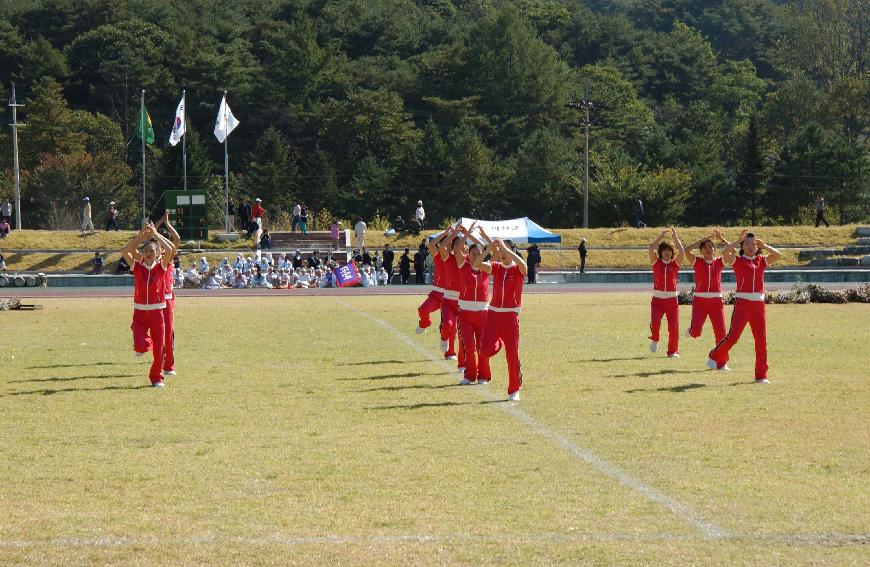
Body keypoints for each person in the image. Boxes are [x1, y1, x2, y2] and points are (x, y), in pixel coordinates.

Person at [708, 230, 782, 383]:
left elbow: (778, 255)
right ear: (742, 247)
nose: (750, 246)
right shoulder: (738, 260)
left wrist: (764, 245)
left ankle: (761, 375)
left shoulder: (761, 260)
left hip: (758, 306)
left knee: (761, 340)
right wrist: (737, 241)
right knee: (733, 337)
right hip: (743, 304)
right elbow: (725, 252)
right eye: (746, 243)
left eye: (753, 243)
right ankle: (715, 355)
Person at [120, 222, 176, 387]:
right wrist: (140, 237)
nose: (148, 253)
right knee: (139, 346)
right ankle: (146, 344)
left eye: (152, 250)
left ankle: (156, 378)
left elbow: (171, 250)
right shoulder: (137, 267)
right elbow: (125, 251)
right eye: (145, 251)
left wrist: (156, 235)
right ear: (142, 254)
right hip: (139, 312)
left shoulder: (161, 267)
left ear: (158, 253)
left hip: (157, 312)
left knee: (159, 350)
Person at [474, 237, 527, 401]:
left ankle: (514, 390)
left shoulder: (517, 269)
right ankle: (500, 341)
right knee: (483, 351)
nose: (503, 254)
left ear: (512, 251)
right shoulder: (496, 267)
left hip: (510, 316)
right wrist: (490, 247)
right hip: (493, 314)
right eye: (501, 251)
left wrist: (506, 249)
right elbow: (476, 264)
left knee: (512, 355)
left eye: (506, 251)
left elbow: (524, 266)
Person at [456, 224, 492, 385]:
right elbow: (457, 250)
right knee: (469, 347)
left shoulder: (487, 268)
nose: (477, 256)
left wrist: (485, 236)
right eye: (474, 254)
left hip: (483, 314)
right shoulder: (463, 266)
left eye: (479, 254)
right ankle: (470, 375)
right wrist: (467, 234)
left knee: (482, 347)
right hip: (465, 314)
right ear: (468, 255)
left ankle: (483, 375)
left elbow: (496, 251)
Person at [684, 229, 729, 346]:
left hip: (716, 301)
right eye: (705, 247)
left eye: (710, 247)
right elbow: (686, 250)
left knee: (721, 334)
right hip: (700, 302)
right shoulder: (697, 261)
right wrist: (701, 240)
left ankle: (722, 362)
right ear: (701, 250)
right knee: (695, 333)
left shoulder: (719, 261)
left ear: (714, 249)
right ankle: (691, 330)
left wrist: (721, 239)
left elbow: (733, 251)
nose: (708, 249)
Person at [647, 227, 683, 357]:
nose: (667, 253)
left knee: (673, 327)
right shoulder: (656, 263)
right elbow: (651, 249)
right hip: (657, 300)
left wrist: (675, 237)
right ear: (661, 252)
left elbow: (682, 252)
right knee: (655, 323)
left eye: (669, 250)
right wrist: (661, 236)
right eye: (664, 250)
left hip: (672, 301)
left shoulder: (675, 264)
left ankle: (672, 351)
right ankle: (655, 338)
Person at [157, 212, 181, 377]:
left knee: (169, 332)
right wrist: (157, 229)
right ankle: (160, 357)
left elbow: (176, 239)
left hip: (169, 299)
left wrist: (167, 224)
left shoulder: (169, 258)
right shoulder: (154, 259)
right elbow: (149, 236)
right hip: (156, 300)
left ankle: (169, 364)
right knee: (159, 332)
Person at [416, 230, 450, 333]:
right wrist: (446, 233)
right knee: (422, 310)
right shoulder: (437, 256)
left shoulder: (457, 258)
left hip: (450, 296)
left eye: (447, 245)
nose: (444, 247)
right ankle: (425, 323)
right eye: (442, 245)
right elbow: (431, 244)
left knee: (447, 325)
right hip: (437, 294)